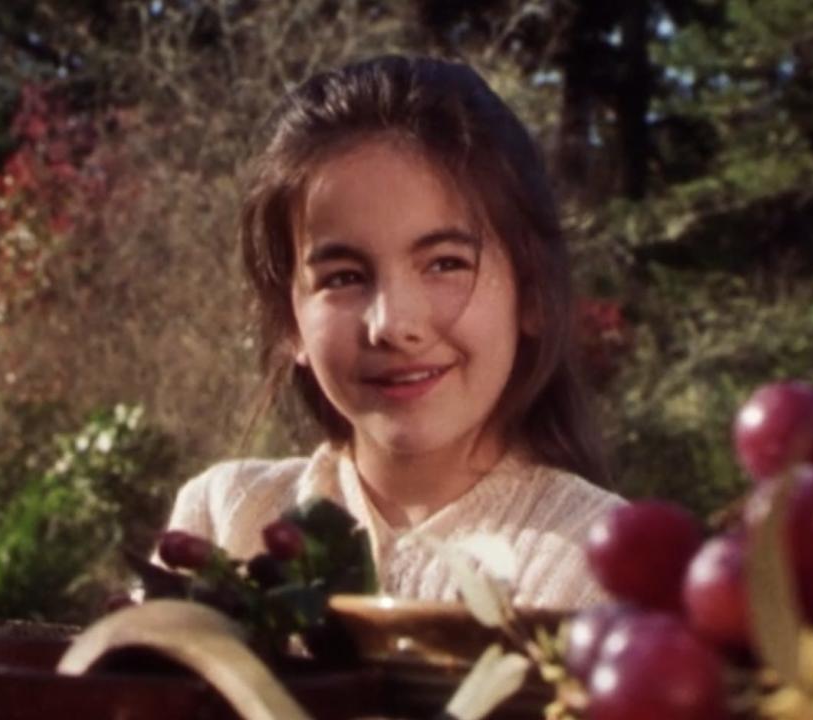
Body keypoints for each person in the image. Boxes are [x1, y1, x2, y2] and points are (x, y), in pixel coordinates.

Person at [164, 55, 625, 608]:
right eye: (344, 277)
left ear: (531, 292)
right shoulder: (227, 520)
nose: (393, 324)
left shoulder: (605, 566)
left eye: (446, 263)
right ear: (290, 322)